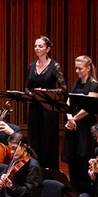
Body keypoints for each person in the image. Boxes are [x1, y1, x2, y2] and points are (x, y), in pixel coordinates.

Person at [25, 36, 66, 170]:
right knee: (34, 141)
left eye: (40, 46)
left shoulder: (54, 66)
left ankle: (49, 172)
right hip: (35, 108)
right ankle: (35, 170)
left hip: (49, 110)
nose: (37, 48)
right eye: (35, 46)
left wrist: (45, 91)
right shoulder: (32, 66)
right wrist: (30, 92)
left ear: (47, 49)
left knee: (47, 142)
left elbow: (63, 89)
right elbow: (27, 86)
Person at [62, 56, 98, 197]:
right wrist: (69, 118)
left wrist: (74, 119)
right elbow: (68, 102)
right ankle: (75, 190)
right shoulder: (76, 83)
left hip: (85, 126)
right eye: (76, 68)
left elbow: (88, 107)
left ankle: (86, 193)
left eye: (80, 68)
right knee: (73, 158)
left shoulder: (94, 85)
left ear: (88, 68)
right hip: (73, 126)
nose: (77, 71)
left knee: (84, 157)